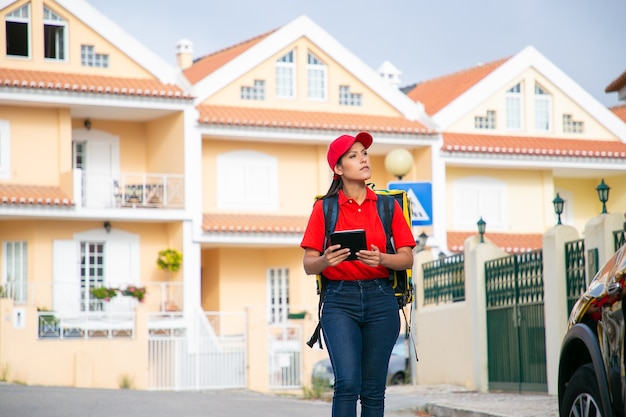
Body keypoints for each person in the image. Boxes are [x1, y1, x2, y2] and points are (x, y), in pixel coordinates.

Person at [300, 131, 415, 417]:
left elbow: (407, 257)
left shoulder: (389, 206)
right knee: (348, 382)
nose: (363, 158)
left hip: (381, 300)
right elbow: (308, 263)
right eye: (353, 155)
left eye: (364, 153)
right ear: (338, 169)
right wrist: (325, 260)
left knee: (374, 389)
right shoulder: (324, 208)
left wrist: (382, 258)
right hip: (340, 302)